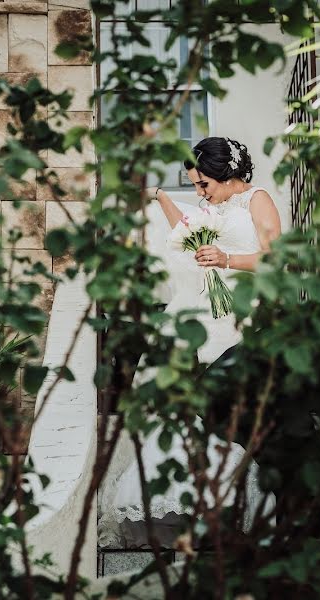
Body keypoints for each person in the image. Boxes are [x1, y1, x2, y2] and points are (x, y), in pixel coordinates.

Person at [97, 137, 282, 549]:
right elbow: (188, 232)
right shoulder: (212, 208)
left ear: (226, 173)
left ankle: (228, 498)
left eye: (204, 185)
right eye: (196, 186)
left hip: (239, 313)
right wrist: (160, 196)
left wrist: (227, 260)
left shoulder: (257, 199)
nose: (201, 193)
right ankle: (181, 499)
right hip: (204, 311)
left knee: (215, 406)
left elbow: (276, 257)